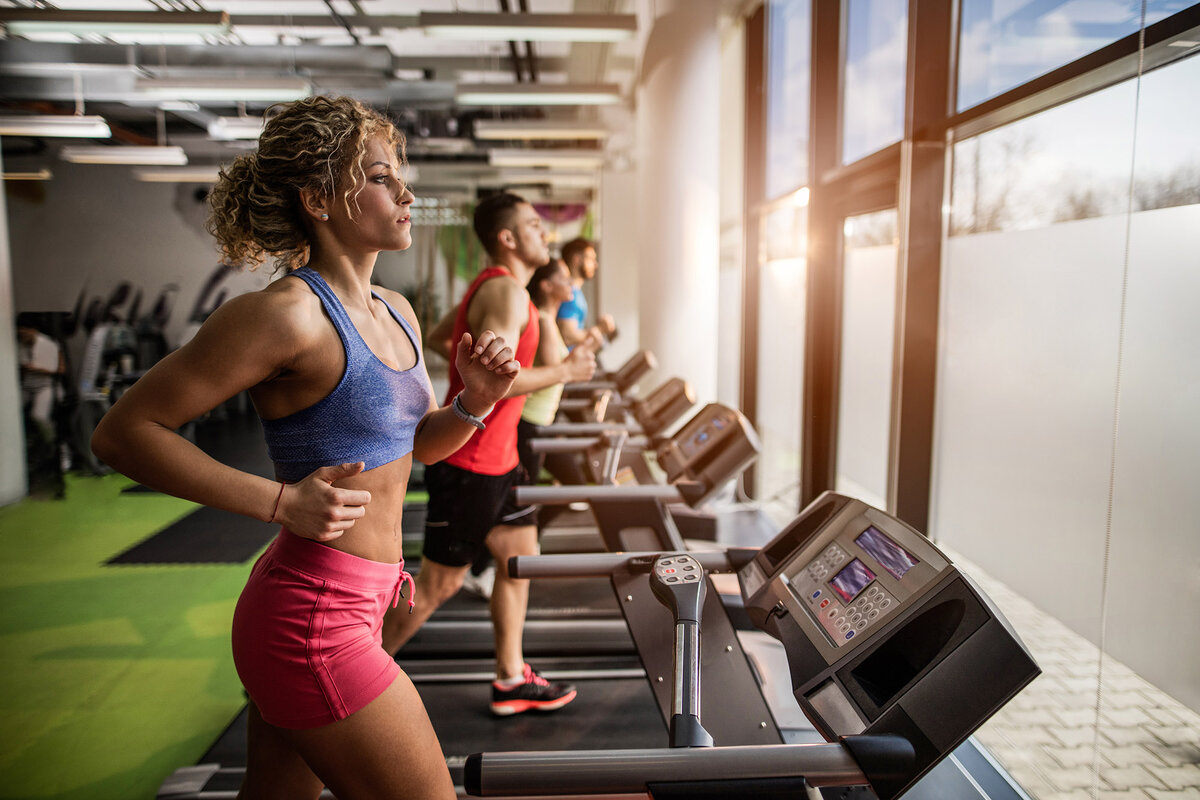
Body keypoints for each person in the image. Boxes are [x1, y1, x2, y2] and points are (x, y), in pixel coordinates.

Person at [91, 95, 520, 800]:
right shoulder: (286, 316)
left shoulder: (398, 311)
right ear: (320, 199)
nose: (406, 193)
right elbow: (122, 433)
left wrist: (474, 401)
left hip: (359, 605)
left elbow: (419, 449)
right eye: (382, 177)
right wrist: (280, 501)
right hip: (312, 620)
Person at [381, 192, 597, 716]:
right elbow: (502, 377)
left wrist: (464, 371)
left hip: (499, 460)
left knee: (519, 560)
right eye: (532, 225)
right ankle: (338, 673)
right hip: (472, 462)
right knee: (439, 584)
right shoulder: (505, 290)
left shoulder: (501, 289)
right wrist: (567, 372)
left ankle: (510, 676)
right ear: (507, 238)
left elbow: (440, 337)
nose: (544, 233)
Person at [556, 237, 616, 349]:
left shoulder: (575, 292)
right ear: (577, 259)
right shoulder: (570, 294)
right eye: (591, 259)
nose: (595, 265)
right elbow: (567, 335)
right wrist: (600, 329)